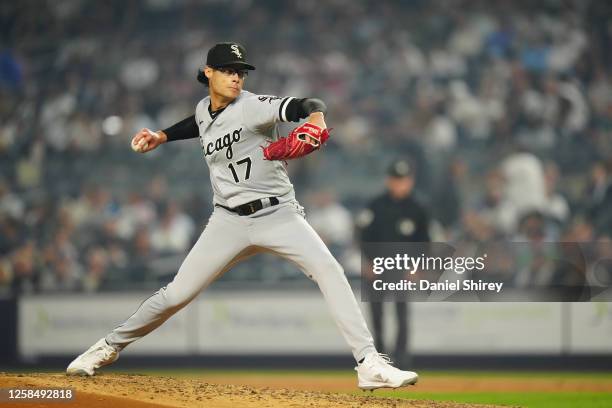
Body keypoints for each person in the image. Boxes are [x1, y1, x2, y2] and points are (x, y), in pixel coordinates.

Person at [66, 42, 418, 390]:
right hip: (228, 221)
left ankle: (368, 362)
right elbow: (199, 123)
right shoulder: (205, 109)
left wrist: (316, 117)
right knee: (175, 295)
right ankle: (106, 347)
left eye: (240, 72)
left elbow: (308, 104)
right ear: (208, 73)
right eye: (228, 71)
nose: (236, 78)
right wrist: (162, 135)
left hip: (278, 214)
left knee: (330, 270)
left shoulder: (255, 106)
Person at [356, 158, 430, 367]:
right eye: (396, 180)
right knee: (376, 314)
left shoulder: (418, 208)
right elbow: (363, 234)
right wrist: (367, 262)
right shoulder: (376, 205)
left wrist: (417, 267)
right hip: (377, 267)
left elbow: (423, 242)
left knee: (402, 314)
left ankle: (402, 359)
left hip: (402, 268)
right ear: (389, 181)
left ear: (411, 181)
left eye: (403, 180)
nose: (399, 184)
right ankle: (379, 358)